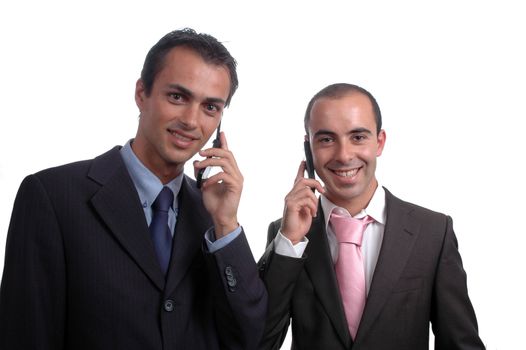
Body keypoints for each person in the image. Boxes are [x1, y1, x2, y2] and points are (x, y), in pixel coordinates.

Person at [0, 28, 267, 350]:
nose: (191, 121)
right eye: (178, 97)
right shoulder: (53, 196)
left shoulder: (214, 218)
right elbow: (25, 334)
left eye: (210, 107)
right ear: (142, 93)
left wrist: (226, 226)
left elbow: (250, 339)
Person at [258, 83, 484, 349]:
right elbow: (260, 342)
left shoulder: (432, 232)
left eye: (358, 137)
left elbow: (461, 344)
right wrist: (290, 242)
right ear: (309, 149)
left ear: (379, 142)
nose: (344, 156)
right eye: (327, 139)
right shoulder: (287, 235)